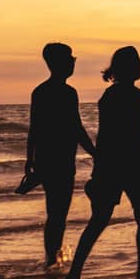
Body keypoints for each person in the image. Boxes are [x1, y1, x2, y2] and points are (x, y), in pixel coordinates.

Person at [65, 46, 140, 279]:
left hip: (113, 166)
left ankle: (74, 274)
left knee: (100, 220)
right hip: (132, 166)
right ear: (127, 68)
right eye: (137, 63)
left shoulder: (110, 97)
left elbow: (106, 138)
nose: (139, 67)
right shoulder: (135, 97)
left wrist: (99, 168)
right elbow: (133, 137)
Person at [25, 42, 97, 267]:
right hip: (60, 161)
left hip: (49, 160)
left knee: (55, 212)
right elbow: (76, 128)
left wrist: (30, 160)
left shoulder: (40, 92)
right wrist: (95, 153)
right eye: (70, 58)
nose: (73, 62)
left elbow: (34, 129)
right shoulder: (66, 93)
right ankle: (52, 258)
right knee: (58, 213)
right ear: (57, 63)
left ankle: (52, 257)